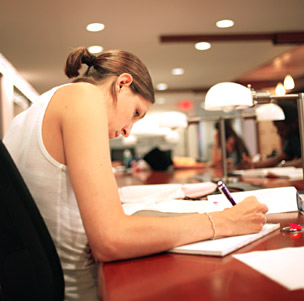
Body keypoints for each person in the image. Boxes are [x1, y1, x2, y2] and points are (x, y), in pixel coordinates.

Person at [3, 47, 268, 300]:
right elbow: (110, 239)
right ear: (122, 83)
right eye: (135, 113)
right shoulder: (83, 97)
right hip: (83, 291)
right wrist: (223, 221)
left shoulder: (32, 112)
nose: (128, 130)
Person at [241, 101, 301, 169]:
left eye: (281, 129)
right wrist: (253, 165)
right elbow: (278, 159)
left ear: (295, 123)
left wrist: (282, 165)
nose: (279, 132)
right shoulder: (293, 137)